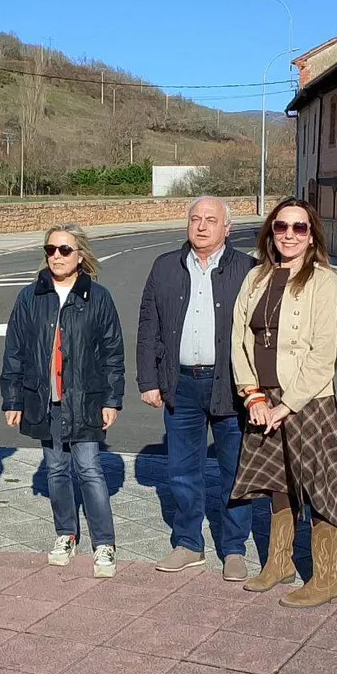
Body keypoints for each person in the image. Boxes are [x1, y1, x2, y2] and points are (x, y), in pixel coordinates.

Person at [230, 198, 337, 607]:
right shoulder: (255, 277)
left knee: (320, 485)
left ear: (312, 236)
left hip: (307, 401)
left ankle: (327, 577)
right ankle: (279, 562)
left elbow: (324, 353)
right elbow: (239, 339)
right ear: (270, 232)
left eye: (299, 228)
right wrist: (252, 394)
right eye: (281, 227)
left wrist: (286, 405)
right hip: (262, 397)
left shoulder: (324, 281)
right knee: (278, 482)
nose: (289, 235)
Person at [136, 196, 256, 581]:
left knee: (235, 470)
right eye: (195, 218)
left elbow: (261, 333)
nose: (201, 226)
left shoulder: (248, 270)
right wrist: (148, 380)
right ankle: (188, 543)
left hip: (231, 385)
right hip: (180, 383)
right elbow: (147, 326)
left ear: (227, 228)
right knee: (182, 470)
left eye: (211, 220)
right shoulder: (165, 267)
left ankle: (234, 548)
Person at [0, 223, 125, 578]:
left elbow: (113, 353)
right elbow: (15, 351)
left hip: (85, 399)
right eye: (51, 249)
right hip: (44, 399)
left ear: (80, 255)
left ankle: (104, 543)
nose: (56, 256)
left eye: (64, 250)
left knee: (89, 469)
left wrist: (112, 399)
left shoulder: (97, 298)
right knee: (56, 470)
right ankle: (65, 533)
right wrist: (13, 399)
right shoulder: (30, 297)